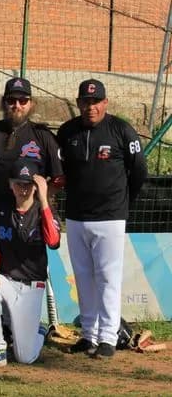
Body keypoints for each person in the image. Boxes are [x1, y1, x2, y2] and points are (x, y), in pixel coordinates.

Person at [57, 79, 147, 359]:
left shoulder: (121, 130)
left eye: (96, 102)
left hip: (110, 217)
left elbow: (139, 171)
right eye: (85, 101)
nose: (90, 107)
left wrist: (122, 203)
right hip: (76, 217)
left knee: (108, 278)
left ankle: (108, 337)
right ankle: (88, 335)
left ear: (105, 103)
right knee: (83, 277)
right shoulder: (67, 131)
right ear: (78, 103)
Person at [0, 159, 61, 367]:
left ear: (35, 187)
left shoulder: (44, 211)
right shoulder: (1, 209)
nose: (23, 189)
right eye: (18, 184)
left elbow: (53, 242)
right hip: (7, 279)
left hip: (33, 285)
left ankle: (39, 331)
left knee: (25, 357)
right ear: (10, 184)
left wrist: (43, 199)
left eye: (28, 185)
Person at [0, 77, 64, 220]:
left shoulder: (43, 136)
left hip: (30, 213)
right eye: (11, 100)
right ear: (4, 102)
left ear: (31, 103)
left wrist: (38, 198)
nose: (17, 105)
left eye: (23, 101)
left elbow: (58, 179)